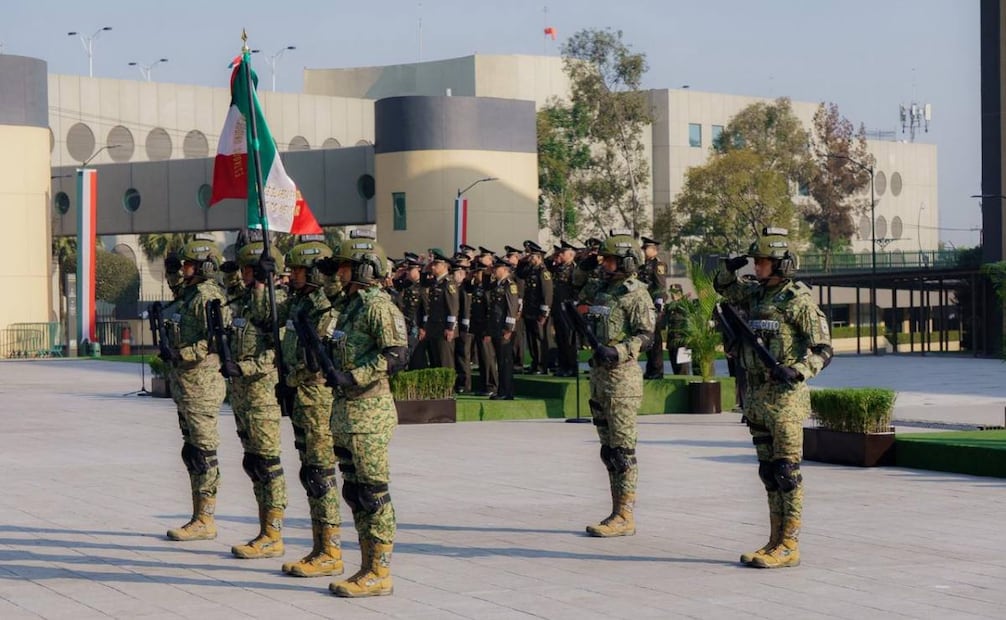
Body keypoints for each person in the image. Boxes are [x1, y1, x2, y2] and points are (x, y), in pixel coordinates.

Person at [714, 227, 833, 569]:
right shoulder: (755, 296)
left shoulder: (797, 299)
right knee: (769, 472)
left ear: (781, 264)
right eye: (756, 261)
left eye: (763, 261)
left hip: (785, 401)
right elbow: (724, 287)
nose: (757, 266)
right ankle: (774, 539)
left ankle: (790, 544)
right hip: (757, 398)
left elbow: (824, 349)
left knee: (786, 472)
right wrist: (729, 266)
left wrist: (798, 370)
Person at [323, 237, 408, 598]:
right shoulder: (350, 307)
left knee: (373, 492)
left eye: (345, 266)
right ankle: (365, 565)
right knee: (355, 491)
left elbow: (397, 353)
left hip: (369, 411)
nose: (339, 273)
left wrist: (354, 376)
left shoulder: (377, 306)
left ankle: (380, 571)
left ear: (364, 269)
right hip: (345, 412)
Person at [574, 231, 655, 537]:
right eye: (603, 259)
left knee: (622, 450)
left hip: (622, 377)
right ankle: (615, 510)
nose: (605, 264)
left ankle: (625, 514)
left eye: (610, 259)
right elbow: (575, 284)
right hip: (598, 376)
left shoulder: (636, 293)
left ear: (626, 261)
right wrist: (586, 261)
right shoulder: (600, 288)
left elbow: (646, 335)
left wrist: (619, 350)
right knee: (608, 450)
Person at [276, 235, 343, 578]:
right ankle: (320, 545)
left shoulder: (326, 305)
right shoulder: (299, 302)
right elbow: (266, 315)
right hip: (299, 395)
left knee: (320, 473)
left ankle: (331, 549)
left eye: (299, 271)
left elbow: (319, 354)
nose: (292, 276)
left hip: (317, 398)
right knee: (309, 471)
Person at [219, 241, 289, 559]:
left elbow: (277, 351)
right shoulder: (245, 302)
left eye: (251, 270)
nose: (246, 276)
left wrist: (244, 367)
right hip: (242, 396)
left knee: (268, 463)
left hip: (262, 395)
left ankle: (274, 533)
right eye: (246, 270)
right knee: (253, 463)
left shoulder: (279, 302)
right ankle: (264, 530)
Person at [163, 234, 228, 542]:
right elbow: (176, 287)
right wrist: (171, 267)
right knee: (192, 451)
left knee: (203, 452)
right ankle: (197, 514)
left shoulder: (208, 296)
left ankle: (206, 517)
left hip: (202, 384)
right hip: (186, 385)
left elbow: (215, 338)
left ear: (204, 266)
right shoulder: (190, 293)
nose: (185, 269)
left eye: (189, 264)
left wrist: (183, 353)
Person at [487, 256, 521, 400]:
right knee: (500, 361)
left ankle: (506, 392)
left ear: (505, 269)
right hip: (496, 327)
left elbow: (512, 308)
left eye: (497, 268)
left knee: (505, 362)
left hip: (504, 329)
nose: (494, 270)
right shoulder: (497, 284)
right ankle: (502, 390)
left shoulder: (509, 285)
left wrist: (509, 328)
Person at [418, 250, 458, 369]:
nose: (433, 267)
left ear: (444, 266)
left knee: (445, 362)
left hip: (444, 328)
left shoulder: (448, 283)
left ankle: (449, 388)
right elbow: (423, 282)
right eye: (432, 264)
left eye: (436, 264)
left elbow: (453, 307)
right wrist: (426, 267)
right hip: (433, 327)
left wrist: (450, 328)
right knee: (435, 361)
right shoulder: (435, 282)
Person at [518, 241, 553, 375]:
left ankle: (541, 365)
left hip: (539, 311)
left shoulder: (543, 272)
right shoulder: (531, 270)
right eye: (530, 256)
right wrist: (522, 260)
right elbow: (520, 273)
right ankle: (534, 363)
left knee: (540, 339)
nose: (530, 259)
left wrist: (544, 313)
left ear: (539, 257)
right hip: (530, 310)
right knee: (532, 339)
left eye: (532, 257)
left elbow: (547, 293)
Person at [638, 237, 668, 379]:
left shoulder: (658, 264)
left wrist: (659, 303)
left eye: (646, 248)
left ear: (653, 250)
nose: (643, 251)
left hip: (653, 305)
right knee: (647, 337)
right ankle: (650, 369)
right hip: (643, 303)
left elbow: (661, 285)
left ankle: (657, 369)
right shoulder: (644, 264)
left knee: (655, 339)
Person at [549, 241, 579, 377]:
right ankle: (563, 365)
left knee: (569, 338)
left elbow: (576, 289)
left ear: (571, 254)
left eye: (562, 253)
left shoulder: (574, 269)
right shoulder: (558, 268)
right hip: (557, 307)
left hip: (568, 307)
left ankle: (571, 366)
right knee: (560, 338)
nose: (559, 255)